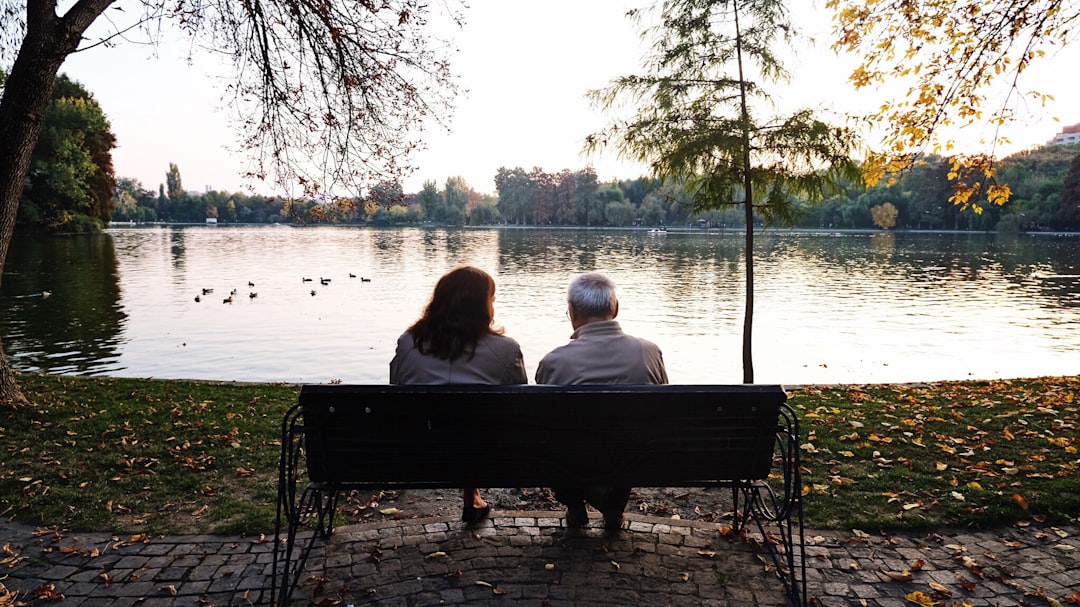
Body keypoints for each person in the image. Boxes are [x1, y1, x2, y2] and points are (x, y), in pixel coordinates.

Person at [390, 265, 527, 524]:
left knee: (452, 426)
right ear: (484, 305)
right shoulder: (506, 350)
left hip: (418, 452)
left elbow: (396, 386)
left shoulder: (409, 342)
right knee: (477, 427)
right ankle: (471, 493)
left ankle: (472, 494)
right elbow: (520, 403)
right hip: (491, 454)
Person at [535, 272, 668, 531]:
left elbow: (541, 426)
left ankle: (575, 506)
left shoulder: (554, 362)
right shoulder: (649, 352)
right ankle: (613, 509)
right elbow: (662, 412)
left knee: (556, 444)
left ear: (571, 311)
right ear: (615, 309)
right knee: (630, 437)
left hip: (571, 461)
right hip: (635, 459)